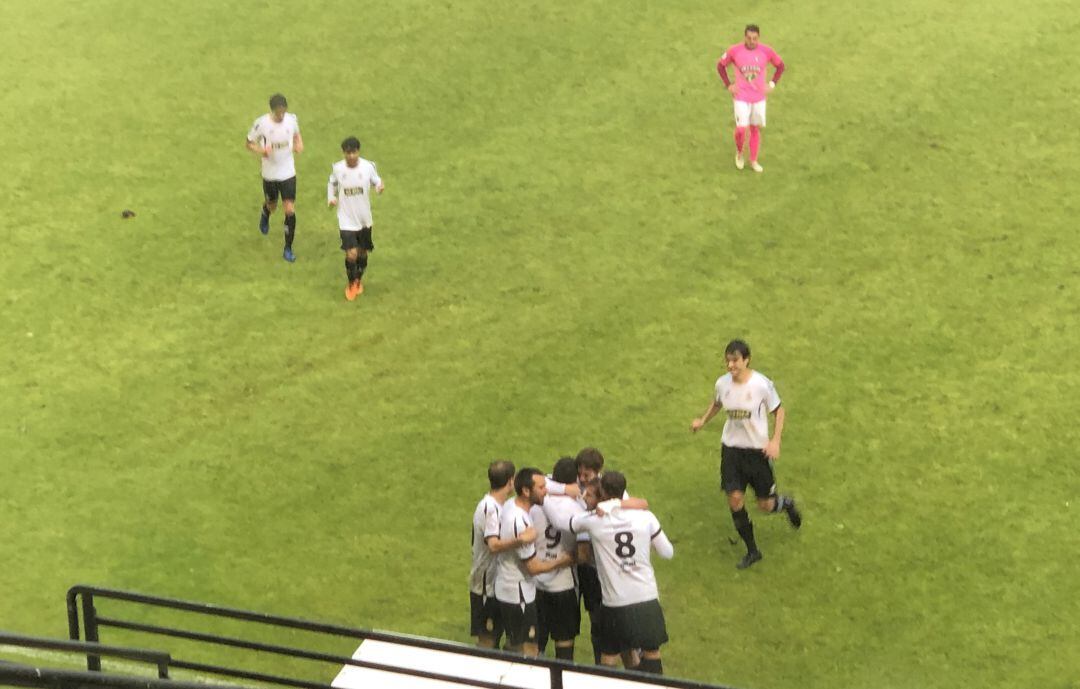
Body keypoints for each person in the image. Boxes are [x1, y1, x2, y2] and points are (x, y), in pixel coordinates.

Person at [690, 339, 802, 569]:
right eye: (728, 360)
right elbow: (717, 403)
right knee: (734, 499)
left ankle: (786, 503)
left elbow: (779, 411)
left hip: (757, 453)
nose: (731, 365)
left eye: (735, 360)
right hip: (731, 450)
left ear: (746, 360)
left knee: (765, 505)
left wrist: (775, 441)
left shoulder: (761, 385)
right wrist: (702, 420)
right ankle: (752, 550)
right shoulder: (722, 384)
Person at [569, 472, 674, 675]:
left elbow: (572, 523)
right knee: (652, 652)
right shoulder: (646, 517)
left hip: (615, 603)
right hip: (647, 598)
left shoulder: (593, 521)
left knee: (609, 655)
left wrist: (607, 508)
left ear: (602, 493)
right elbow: (667, 553)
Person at [495, 468, 575, 657]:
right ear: (526, 491)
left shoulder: (509, 505)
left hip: (509, 589)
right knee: (528, 650)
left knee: (514, 644)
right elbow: (533, 567)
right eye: (541, 488)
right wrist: (564, 560)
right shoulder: (521, 523)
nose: (546, 492)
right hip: (518, 594)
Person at [470, 460, 537, 648]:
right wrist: (522, 539)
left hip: (498, 585)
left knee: (512, 638)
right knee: (487, 641)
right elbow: (493, 545)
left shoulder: (502, 505)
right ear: (510, 481)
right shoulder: (490, 508)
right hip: (485, 586)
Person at [532, 457, 585, 660]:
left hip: (537, 581)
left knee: (535, 644)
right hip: (564, 584)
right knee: (564, 645)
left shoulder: (536, 504)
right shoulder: (577, 508)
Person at [716, 25, 785, 173]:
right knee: (741, 129)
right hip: (741, 96)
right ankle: (740, 152)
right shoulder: (735, 51)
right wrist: (729, 85)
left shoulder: (766, 51)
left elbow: (780, 66)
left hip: (759, 97)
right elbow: (720, 66)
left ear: (758, 38)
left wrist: (772, 84)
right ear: (744, 37)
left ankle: (753, 160)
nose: (752, 41)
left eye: (755, 38)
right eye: (749, 38)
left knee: (754, 128)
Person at [246, 93, 304, 261]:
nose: (281, 115)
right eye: (278, 113)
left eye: (283, 112)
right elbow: (249, 143)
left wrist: (299, 143)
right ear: (272, 111)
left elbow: (296, 134)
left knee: (289, 210)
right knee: (272, 205)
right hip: (270, 173)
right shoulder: (261, 124)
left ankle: (288, 248)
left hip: (288, 172)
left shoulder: (291, 119)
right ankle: (266, 212)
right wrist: (262, 151)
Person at [327, 137, 384, 300]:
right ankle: (351, 283)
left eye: (354, 152)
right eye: (348, 153)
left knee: (362, 253)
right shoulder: (338, 169)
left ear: (358, 152)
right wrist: (331, 197)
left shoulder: (368, 167)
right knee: (351, 254)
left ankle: (358, 279)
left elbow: (376, 180)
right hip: (346, 218)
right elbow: (332, 183)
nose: (351, 156)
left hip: (364, 218)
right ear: (344, 153)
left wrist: (379, 186)